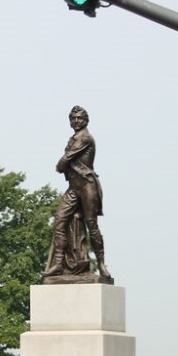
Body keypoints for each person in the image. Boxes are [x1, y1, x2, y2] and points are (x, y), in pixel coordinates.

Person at [43, 106, 110, 279]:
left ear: (86, 120)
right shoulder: (73, 138)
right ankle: (58, 264)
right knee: (60, 220)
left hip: (87, 186)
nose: (76, 121)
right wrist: (64, 164)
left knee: (91, 225)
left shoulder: (84, 138)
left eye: (79, 118)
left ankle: (102, 265)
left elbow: (63, 162)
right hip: (73, 188)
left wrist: (64, 163)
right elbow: (62, 165)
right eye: (73, 118)